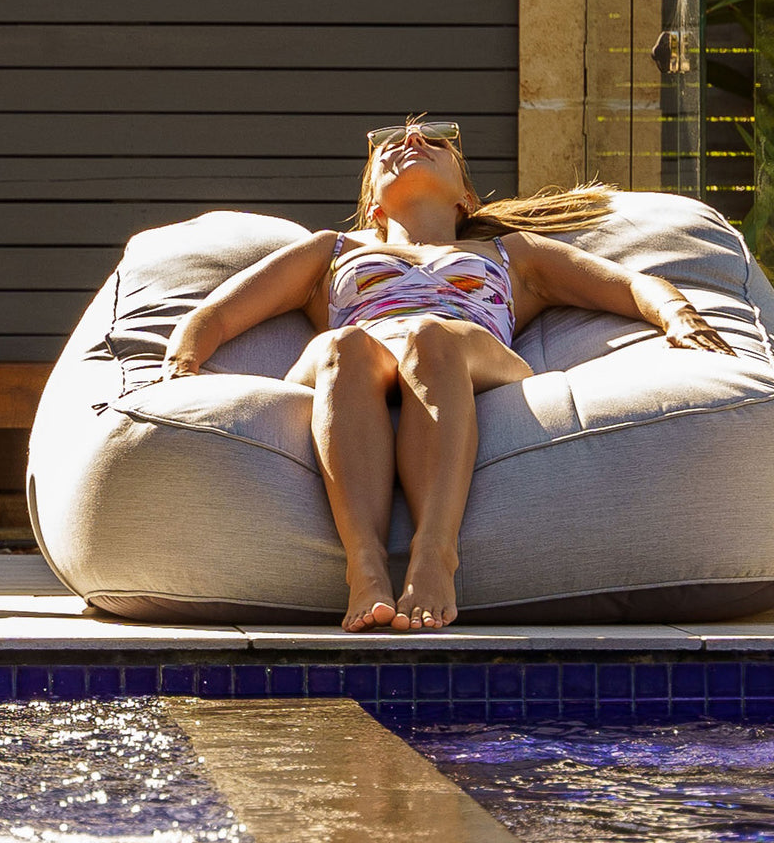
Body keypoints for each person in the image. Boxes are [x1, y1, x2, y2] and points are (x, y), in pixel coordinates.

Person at [163, 118, 735, 633]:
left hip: (464, 353)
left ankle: (435, 555)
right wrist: (178, 367)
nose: (411, 139)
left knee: (429, 335)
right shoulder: (331, 251)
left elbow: (630, 284)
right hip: (358, 360)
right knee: (343, 344)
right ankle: (364, 566)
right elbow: (215, 314)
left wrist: (679, 317)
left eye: (434, 140)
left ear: (465, 196)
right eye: (391, 143)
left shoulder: (513, 254)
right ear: (373, 204)